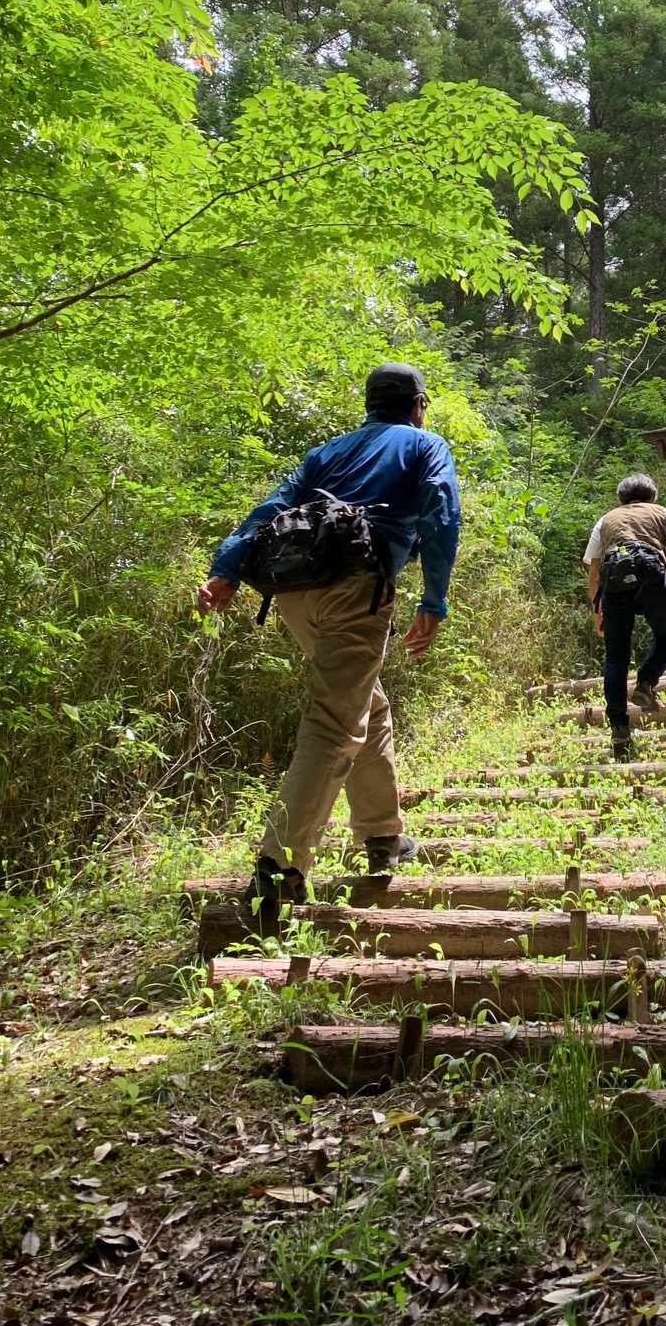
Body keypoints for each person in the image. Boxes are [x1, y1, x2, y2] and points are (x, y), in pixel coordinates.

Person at [195, 362, 460, 916]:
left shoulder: (328, 452)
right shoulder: (424, 445)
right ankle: (279, 867)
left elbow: (271, 508)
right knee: (334, 723)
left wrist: (226, 568)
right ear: (418, 404)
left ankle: (382, 834)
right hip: (355, 587)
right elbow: (441, 515)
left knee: (369, 704)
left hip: (292, 592)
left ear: (369, 404)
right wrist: (433, 598)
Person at [583, 474, 666, 760]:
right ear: (652, 496)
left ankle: (618, 727)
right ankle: (645, 682)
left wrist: (597, 608)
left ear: (621, 499)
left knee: (616, 658)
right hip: (653, 579)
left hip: (615, 584)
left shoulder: (606, 520)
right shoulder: (662, 512)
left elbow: (594, 568)